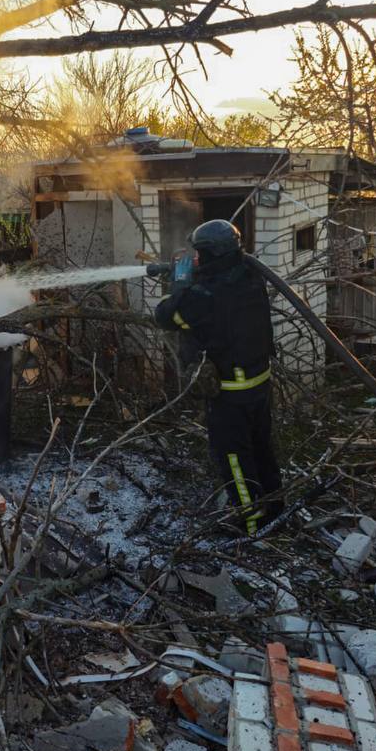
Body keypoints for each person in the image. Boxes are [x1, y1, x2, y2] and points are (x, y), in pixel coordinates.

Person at [154, 219, 283, 532]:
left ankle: (251, 522)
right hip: (258, 382)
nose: (196, 258)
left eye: (200, 253)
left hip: (230, 391)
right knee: (261, 448)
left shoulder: (203, 297)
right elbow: (220, 286)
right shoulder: (251, 275)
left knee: (234, 458)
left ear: (211, 253)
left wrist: (180, 285)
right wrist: (193, 277)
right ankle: (277, 510)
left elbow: (167, 317)